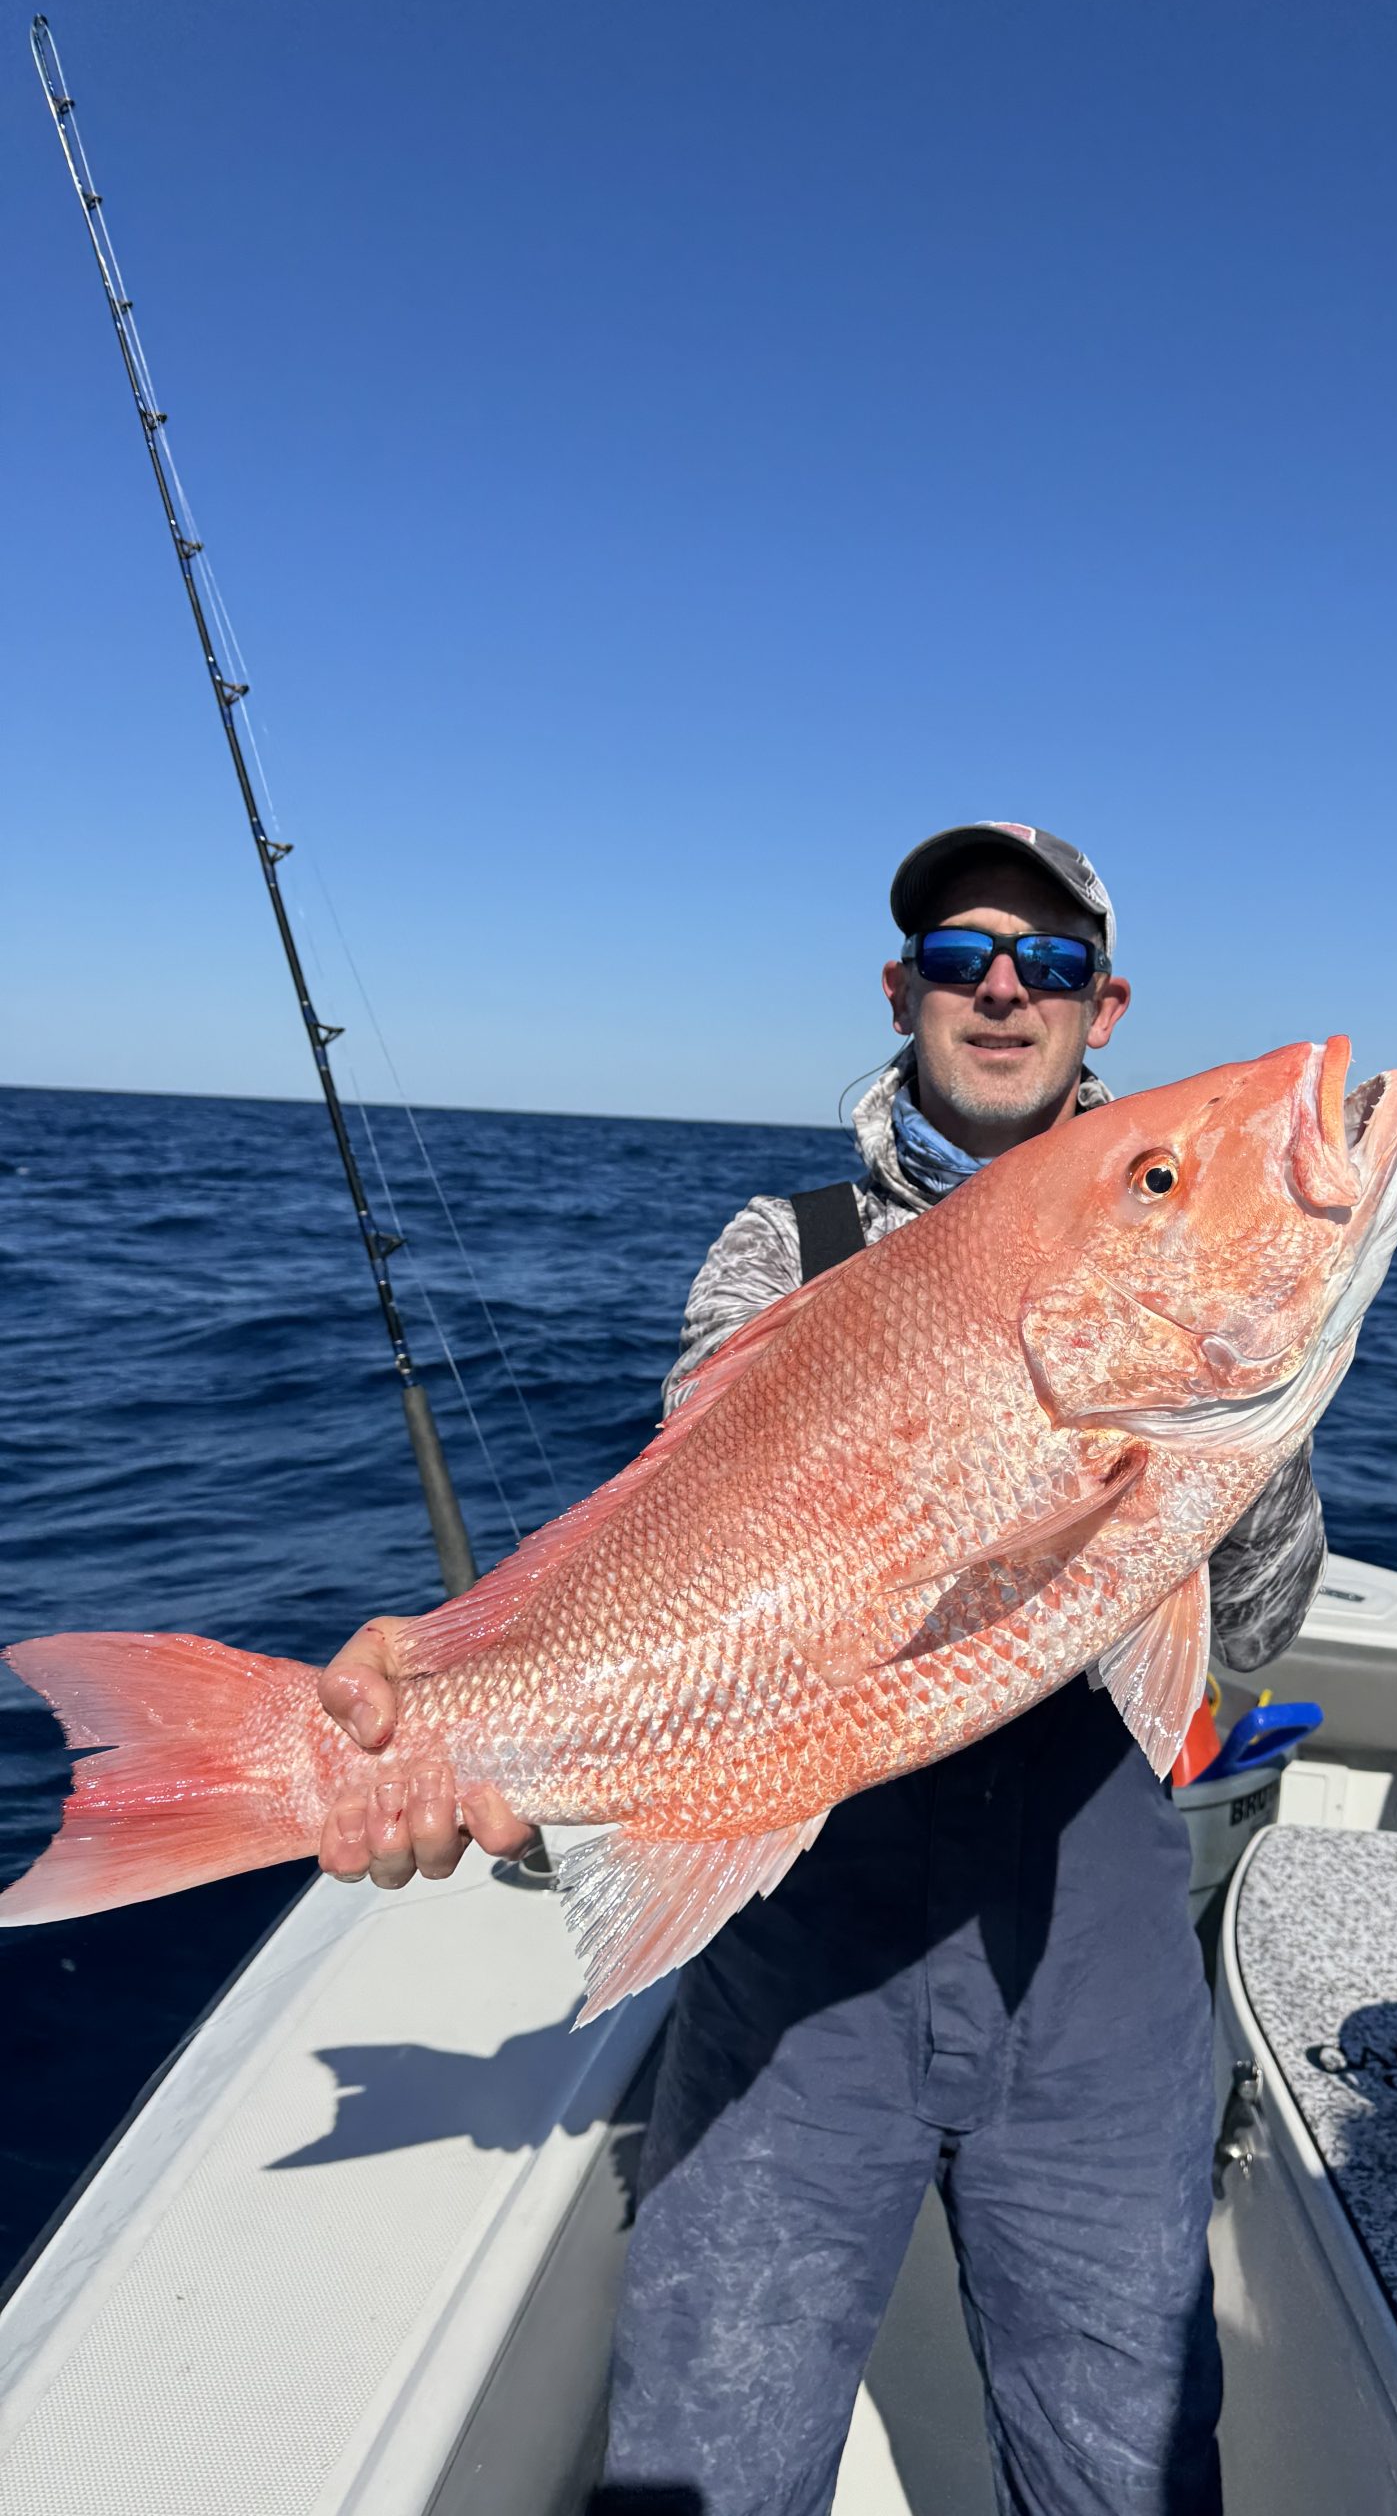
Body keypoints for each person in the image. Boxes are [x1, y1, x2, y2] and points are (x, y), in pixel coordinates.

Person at [312, 822, 1328, 2515]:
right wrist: (464, 1691)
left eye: (1049, 962)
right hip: (799, 1979)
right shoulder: (779, 1251)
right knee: (704, 2457)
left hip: (1095, 1991)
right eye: (959, 956)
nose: (1002, 989)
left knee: (1129, 2471)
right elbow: (689, 1564)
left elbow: (1247, 1638)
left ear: (1103, 1007)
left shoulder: (1180, 1243)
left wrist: (1241, 1413)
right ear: (901, 988)